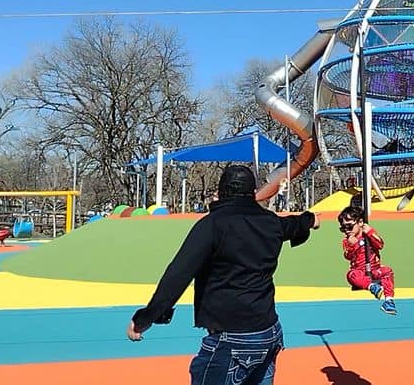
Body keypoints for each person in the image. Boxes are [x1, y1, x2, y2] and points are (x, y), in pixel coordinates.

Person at [126, 165, 320, 385]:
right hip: (268, 332)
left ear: (219, 193)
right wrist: (311, 219)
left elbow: (179, 273)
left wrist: (146, 317)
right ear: (254, 193)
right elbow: (295, 224)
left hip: (232, 337)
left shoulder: (212, 225)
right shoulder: (271, 222)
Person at [338, 206, 397, 315]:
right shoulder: (347, 241)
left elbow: (380, 245)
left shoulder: (369, 234)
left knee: (387, 271)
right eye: (343, 228)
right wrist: (353, 245)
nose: (346, 230)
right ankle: (372, 287)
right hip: (359, 271)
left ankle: (389, 300)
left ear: (360, 222)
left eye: (349, 226)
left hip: (374, 269)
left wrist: (370, 233)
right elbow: (348, 256)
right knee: (351, 275)